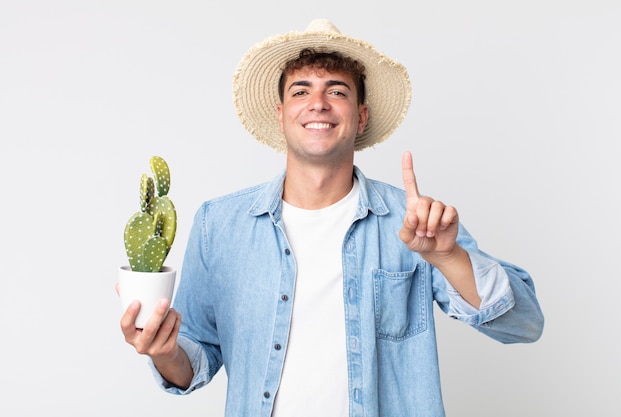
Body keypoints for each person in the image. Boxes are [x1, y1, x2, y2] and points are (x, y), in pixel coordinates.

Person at [120, 19, 544, 417]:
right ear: (281, 113)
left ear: (360, 116)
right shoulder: (220, 224)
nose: (318, 103)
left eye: (337, 91)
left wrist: (448, 256)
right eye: (301, 91)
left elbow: (524, 324)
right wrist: (162, 350)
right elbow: (196, 360)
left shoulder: (415, 223)